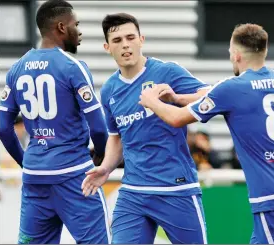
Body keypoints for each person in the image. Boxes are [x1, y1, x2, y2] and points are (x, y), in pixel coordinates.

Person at [139, 23, 274, 244]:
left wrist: (151, 101)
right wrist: (177, 98)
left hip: (273, 197)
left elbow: (177, 118)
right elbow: (213, 98)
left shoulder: (232, 87)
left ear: (236, 55)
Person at [81, 13, 210, 244]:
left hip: (176, 188)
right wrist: (106, 167)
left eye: (130, 37)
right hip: (134, 191)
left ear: (141, 39)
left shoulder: (167, 72)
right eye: (117, 40)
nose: (125, 44)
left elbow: (209, 96)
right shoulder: (110, 89)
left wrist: (177, 98)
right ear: (107, 47)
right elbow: (116, 136)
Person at [0, 0, 110, 243]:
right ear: (61, 27)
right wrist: (101, 157)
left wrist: (26, 161)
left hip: (34, 177)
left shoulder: (17, 68)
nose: (79, 32)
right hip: (74, 176)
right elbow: (99, 128)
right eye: (76, 25)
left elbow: (3, 128)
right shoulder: (73, 67)